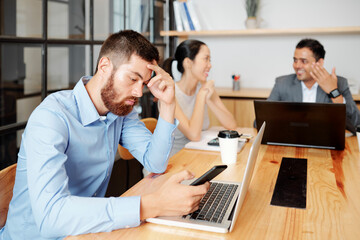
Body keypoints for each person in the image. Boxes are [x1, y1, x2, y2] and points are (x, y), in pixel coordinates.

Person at [0, 30, 209, 240]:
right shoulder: (51, 118)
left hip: (83, 231)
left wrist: (168, 104)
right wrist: (153, 204)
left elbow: (155, 162)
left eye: (143, 83)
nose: (138, 92)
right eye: (132, 79)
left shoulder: (120, 111)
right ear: (104, 66)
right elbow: (51, 217)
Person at [267, 38, 360, 134]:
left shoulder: (340, 83)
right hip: (292, 141)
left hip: (325, 142)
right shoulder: (282, 83)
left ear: (319, 63)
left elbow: (357, 125)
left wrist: (333, 91)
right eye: (295, 60)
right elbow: (259, 122)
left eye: (304, 61)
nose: (297, 65)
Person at [162, 40, 237, 156]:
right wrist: (201, 96)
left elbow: (231, 125)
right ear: (188, 63)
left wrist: (209, 100)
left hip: (197, 154)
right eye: (205, 59)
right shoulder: (169, 94)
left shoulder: (204, 87)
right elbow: (194, 135)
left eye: (209, 60)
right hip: (174, 159)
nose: (210, 65)